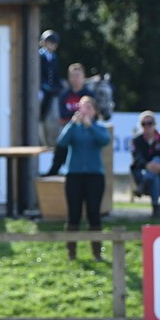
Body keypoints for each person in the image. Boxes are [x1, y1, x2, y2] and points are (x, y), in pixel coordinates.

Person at [57, 96, 110, 260]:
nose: (84, 111)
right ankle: (71, 252)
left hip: (95, 176)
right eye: (81, 108)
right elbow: (62, 142)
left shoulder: (99, 128)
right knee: (74, 213)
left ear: (94, 111)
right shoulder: (73, 127)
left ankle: (96, 252)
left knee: (94, 213)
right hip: (74, 175)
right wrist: (72, 124)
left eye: (88, 108)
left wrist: (90, 126)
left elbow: (104, 140)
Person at [44, 63, 94, 176]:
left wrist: (77, 117)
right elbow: (62, 116)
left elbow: (92, 115)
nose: (75, 79)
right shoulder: (64, 95)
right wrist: (76, 117)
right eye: (73, 76)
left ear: (83, 77)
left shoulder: (89, 94)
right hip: (69, 129)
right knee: (62, 143)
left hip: (86, 130)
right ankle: (54, 172)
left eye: (78, 75)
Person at [131, 111, 160, 216]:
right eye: (144, 124)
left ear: (154, 124)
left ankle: (144, 183)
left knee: (157, 160)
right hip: (142, 171)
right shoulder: (136, 141)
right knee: (154, 176)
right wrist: (147, 165)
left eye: (150, 123)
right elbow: (137, 157)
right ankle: (156, 207)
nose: (147, 126)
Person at [38, 30, 61, 124]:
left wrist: (58, 85)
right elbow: (38, 73)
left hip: (51, 87)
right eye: (50, 42)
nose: (52, 45)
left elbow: (55, 74)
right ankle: (39, 118)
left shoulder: (54, 57)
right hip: (41, 86)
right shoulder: (38, 55)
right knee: (40, 97)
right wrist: (44, 85)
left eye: (53, 43)